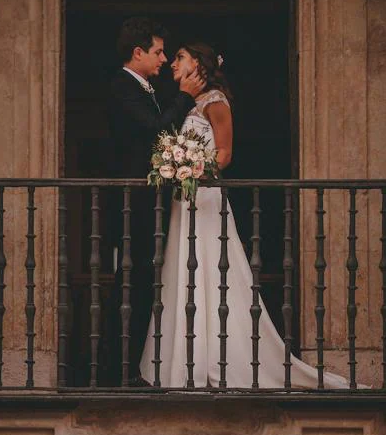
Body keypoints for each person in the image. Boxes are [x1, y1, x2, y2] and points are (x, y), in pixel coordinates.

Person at [139, 41, 350, 389]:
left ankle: (217, 358)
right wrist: (173, 167)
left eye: (180, 57)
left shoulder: (215, 101)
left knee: (210, 267)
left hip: (204, 197)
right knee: (183, 269)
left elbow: (224, 153)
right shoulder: (189, 104)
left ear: (198, 65)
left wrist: (193, 170)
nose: (173, 63)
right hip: (184, 199)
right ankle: (185, 360)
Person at [106, 17, 205, 383]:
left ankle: (134, 365)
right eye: (158, 52)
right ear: (138, 53)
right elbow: (153, 129)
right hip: (134, 201)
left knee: (146, 278)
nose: (163, 59)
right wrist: (185, 98)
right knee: (132, 279)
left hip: (151, 200)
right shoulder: (121, 86)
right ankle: (117, 369)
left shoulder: (145, 87)